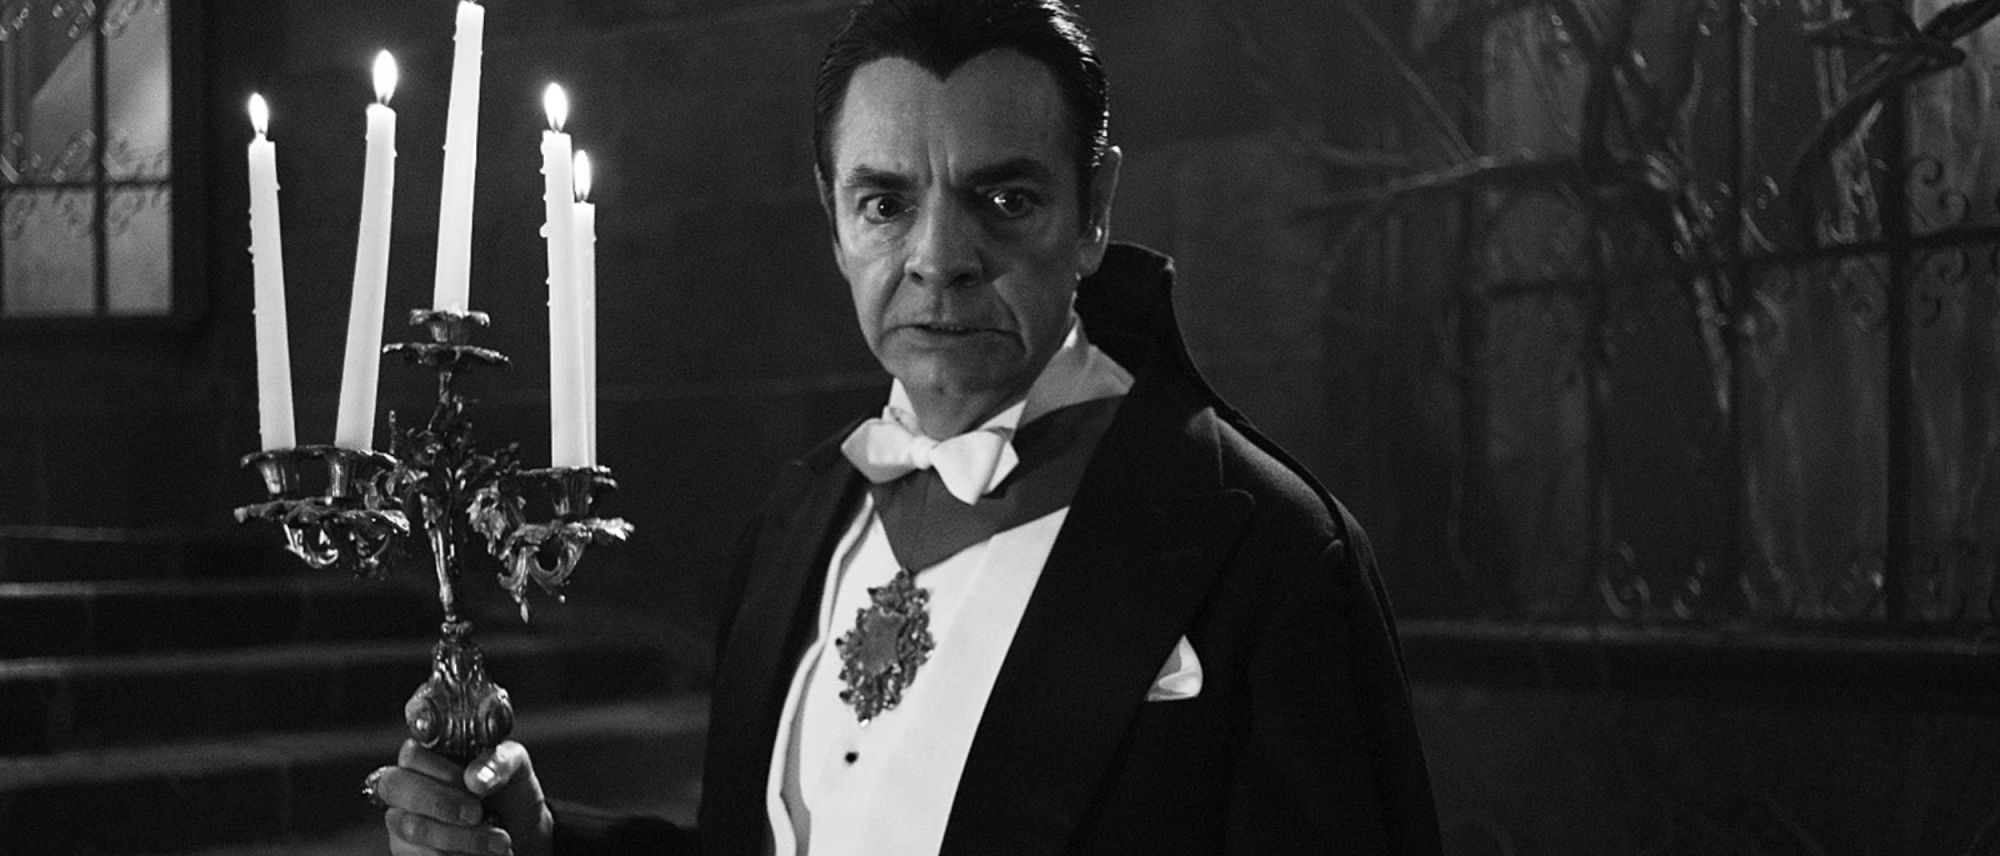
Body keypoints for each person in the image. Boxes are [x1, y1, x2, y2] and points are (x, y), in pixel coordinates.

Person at [372, 0, 1440, 853]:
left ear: (1095, 207)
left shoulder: (1273, 554)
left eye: (1004, 200)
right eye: (884, 203)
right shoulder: (796, 518)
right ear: (833, 219)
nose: (938, 258)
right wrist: (546, 843)